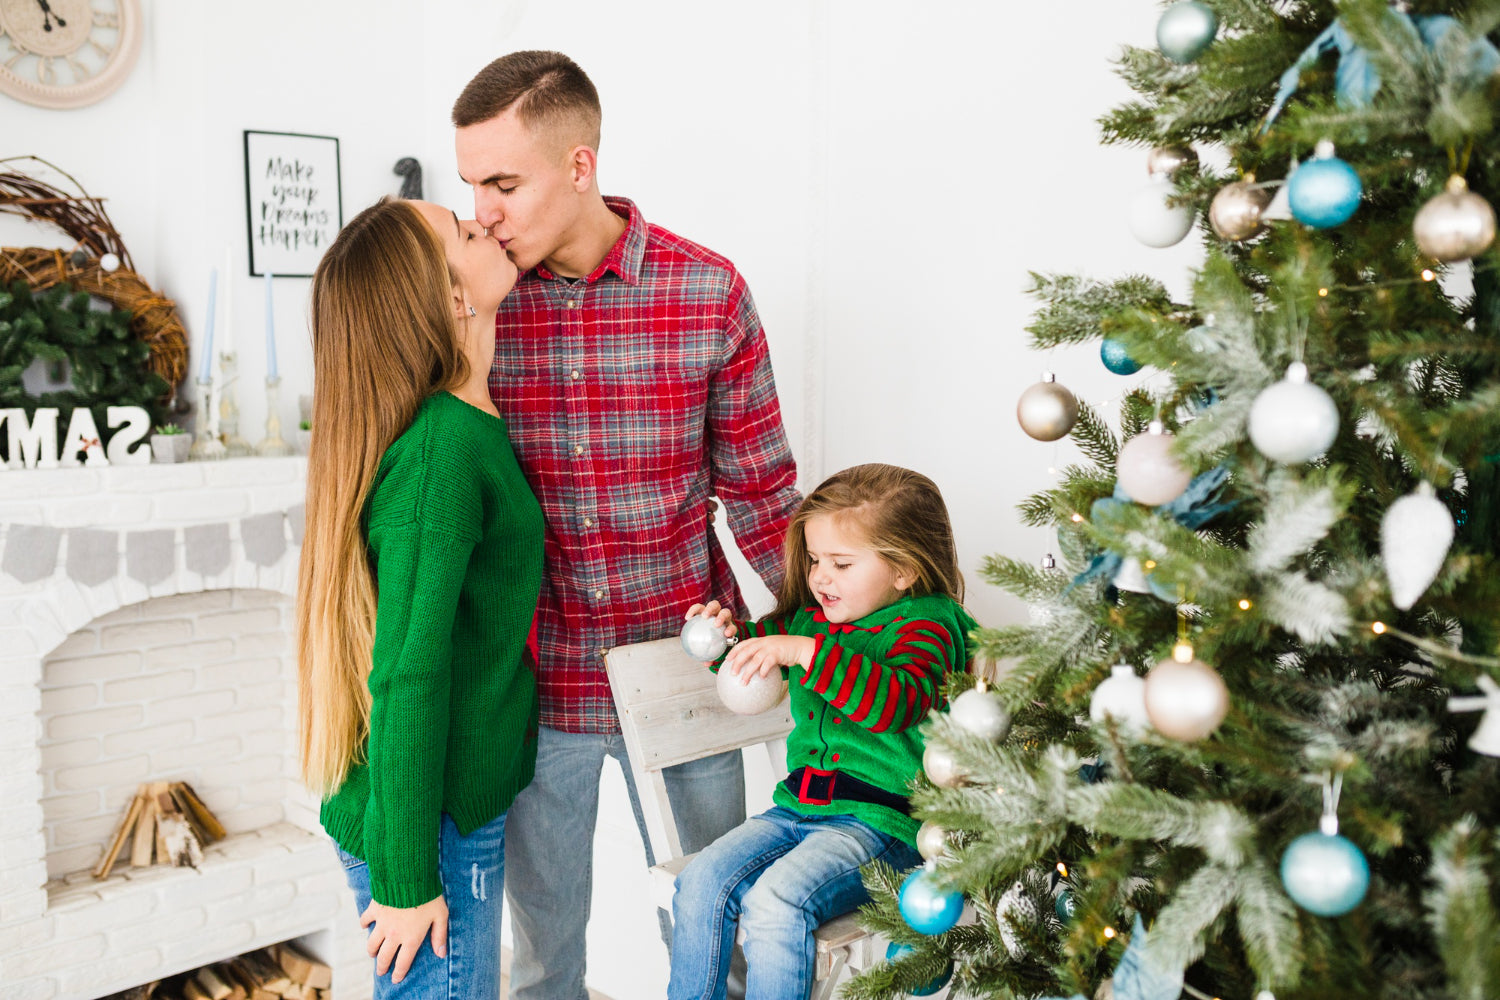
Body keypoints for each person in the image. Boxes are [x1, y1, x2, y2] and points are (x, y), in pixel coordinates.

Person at [451, 50, 803, 998]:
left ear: (580, 166)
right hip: (536, 687)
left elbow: (765, 495)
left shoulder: (707, 292)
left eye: (503, 184)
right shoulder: (473, 303)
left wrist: (837, 647)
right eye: (472, 185)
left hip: (689, 673)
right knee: (544, 960)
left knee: (715, 942)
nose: (483, 210)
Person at [295, 196, 542, 997]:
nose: (486, 224)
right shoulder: (442, 449)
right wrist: (405, 879)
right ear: (451, 298)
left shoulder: (466, 426)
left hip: (442, 804)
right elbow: (409, 670)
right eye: (465, 232)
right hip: (424, 823)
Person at [671, 463, 977, 1000]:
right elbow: (754, 658)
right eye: (815, 560)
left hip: (882, 828)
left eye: (841, 563)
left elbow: (897, 701)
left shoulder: (929, 624)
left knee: (776, 902)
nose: (820, 577)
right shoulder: (810, 620)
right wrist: (723, 639)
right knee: (699, 882)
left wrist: (805, 652)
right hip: (796, 810)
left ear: (903, 570)